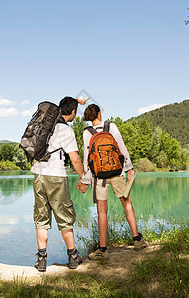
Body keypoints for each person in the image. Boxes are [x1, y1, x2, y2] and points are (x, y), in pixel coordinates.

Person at [31, 96, 90, 272]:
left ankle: (41, 261)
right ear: (72, 112)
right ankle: (73, 257)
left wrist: (76, 100)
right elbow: (75, 159)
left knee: (41, 218)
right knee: (65, 217)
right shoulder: (66, 130)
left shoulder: (45, 125)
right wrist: (84, 178)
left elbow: (66, 103)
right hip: (55, 176)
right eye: (74, 112)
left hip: (38, 175)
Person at [82, 104, 147, 260]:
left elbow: (87, 157)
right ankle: (137, 240)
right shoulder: (111, 126)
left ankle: (103, 250)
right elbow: (121, 148)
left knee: (102, 212)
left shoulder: (87, 132)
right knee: (127, 204)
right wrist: (129, 168)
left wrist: (85, 179)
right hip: (117, 173)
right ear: (98, 114)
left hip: (99, 177)